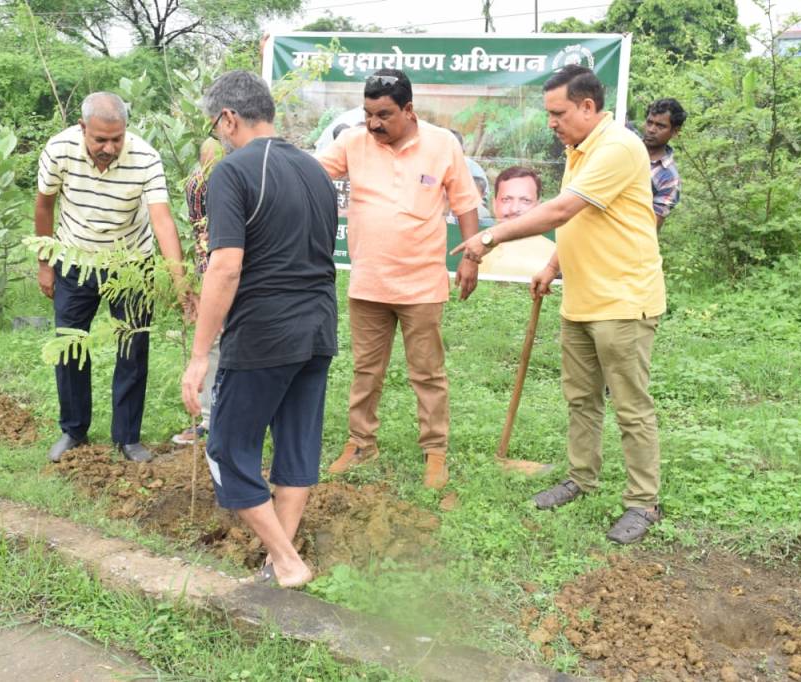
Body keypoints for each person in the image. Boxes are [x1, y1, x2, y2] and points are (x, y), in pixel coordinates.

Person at [452, 65, 666, 544]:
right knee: (581, 399)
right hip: (582, 299)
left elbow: (562, 209)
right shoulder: (579, 148)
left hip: (623, 301)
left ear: (587, 106)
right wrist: (553, 264)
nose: (551, 122)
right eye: (549, 113)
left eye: (558, 113)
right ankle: (581, 479)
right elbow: (581, 220)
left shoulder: (617, 147)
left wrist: (489, 236)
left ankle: (643, 503)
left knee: (630, 407)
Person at [180, 70, 338, 588]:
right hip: (318, 329)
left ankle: (287, 561)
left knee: (226, 448)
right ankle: (278, 563)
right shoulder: (315, 170)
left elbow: (226, 266)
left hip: (264, 333)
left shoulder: (233, 171)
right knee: (296, 446)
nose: (216, 135)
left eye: (214, 125)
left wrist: (200, 355)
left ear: (229, 118)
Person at [316, 69, 482, 489]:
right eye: (368, 114)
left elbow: (465, 202)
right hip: (368, 282)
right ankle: (361, 443)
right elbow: (312, 174)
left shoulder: (442, 144)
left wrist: (471, 257)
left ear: (409, 110)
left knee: (427, 373)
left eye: (384, 115)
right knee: (366, 370)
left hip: (422, 284)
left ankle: (435, 451)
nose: (374, 124)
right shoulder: (353, 142)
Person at [36, 92, 187, 464]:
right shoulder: (58, 150)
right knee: (70, 345)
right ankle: (74, 430)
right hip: (74, 260)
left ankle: (128, 438)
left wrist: (178, 280)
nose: (109, 147)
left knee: (132, 349)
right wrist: (45, 262)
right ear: (82, 127)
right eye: (100, 139)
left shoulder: (145, 157)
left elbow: (162, 220)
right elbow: (44, 205)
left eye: (117, 139)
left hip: (131, 264)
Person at [171, 138, 222, 445]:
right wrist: (206, 282)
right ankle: (209, 420)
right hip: (216, 265)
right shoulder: (197, 185)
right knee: (212, 338)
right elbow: (202, 233)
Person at [477, 166, 556, 278]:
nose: (514, 209)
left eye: (525, 201)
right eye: (506, 200)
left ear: (538, 206)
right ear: (494, 204)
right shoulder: (475, 249)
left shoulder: (554, 256)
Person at [642, 98, 686, 230]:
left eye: (660, 126)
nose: (651, 130)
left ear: (675, 131)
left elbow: (650, 228)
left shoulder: (669, 178)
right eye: (649, 122)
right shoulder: (626, 148)